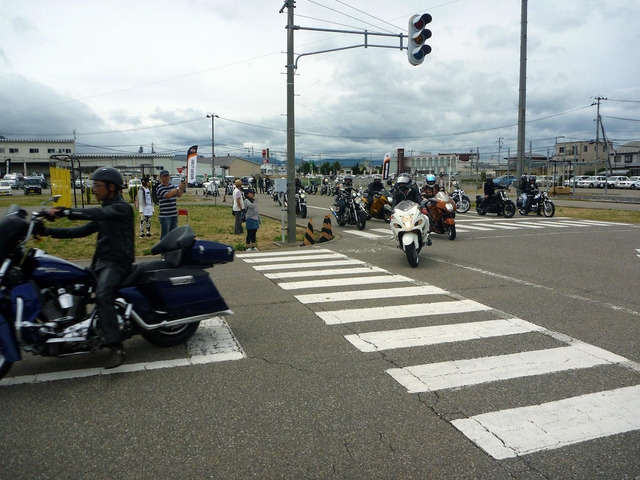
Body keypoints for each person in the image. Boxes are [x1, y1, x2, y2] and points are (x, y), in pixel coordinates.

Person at [38, 167, 134, 368]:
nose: (94, 189)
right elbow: (81, 231)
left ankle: (116, 346)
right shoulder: (106, 210)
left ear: (111, 187)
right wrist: (48, 231)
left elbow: (97, 213)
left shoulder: (120, 208)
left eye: (97, 186)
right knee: (72, 285)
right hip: (101, 263)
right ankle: (75, 332)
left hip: (118, 264)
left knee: (102, 295)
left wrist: (66, 211)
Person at [157, 170, 185, 239]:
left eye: (167, 176)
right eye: (164, 176)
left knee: (174, 235)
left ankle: (172, 248)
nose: (166, 178)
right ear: (160, 177)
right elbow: (168, 195)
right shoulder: (160, 188)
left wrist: (182, 188)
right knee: (165, 235)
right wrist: (178, 188)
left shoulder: (172, 186)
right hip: (165, 216)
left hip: (174, 214)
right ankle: (163, 248)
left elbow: (178, 195)